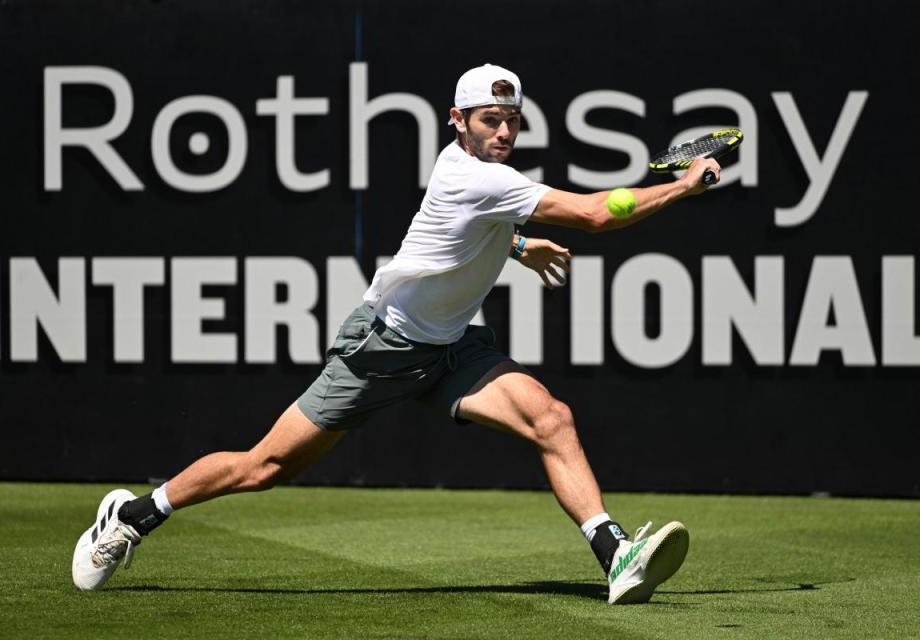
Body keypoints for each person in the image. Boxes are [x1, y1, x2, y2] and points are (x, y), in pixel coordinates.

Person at [72, 63, 721, 605]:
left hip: (454, 346)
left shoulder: (485, 181)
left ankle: (616, 558)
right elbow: (594, 214)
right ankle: (133, 516)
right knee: (262, 468)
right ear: (458, 121)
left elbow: (477, 229)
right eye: (489, 119)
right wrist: (684, 186)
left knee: (551, 418)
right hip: (383, 350)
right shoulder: (476, 176)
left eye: (512, 120)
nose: (502, 130)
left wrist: (516, 244)